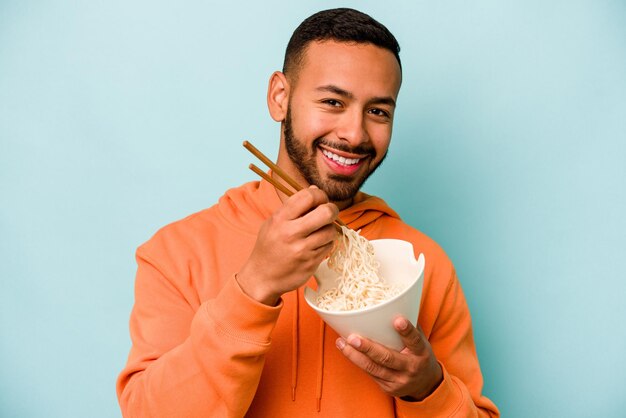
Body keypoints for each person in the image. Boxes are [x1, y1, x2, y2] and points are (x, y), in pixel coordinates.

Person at [117, 8, 499, 417]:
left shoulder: (424, 265)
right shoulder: (177, 253)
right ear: (280, 97)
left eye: (378, 112)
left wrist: (428, 389)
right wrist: (254, 285)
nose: (354, 134)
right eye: (333, 101)